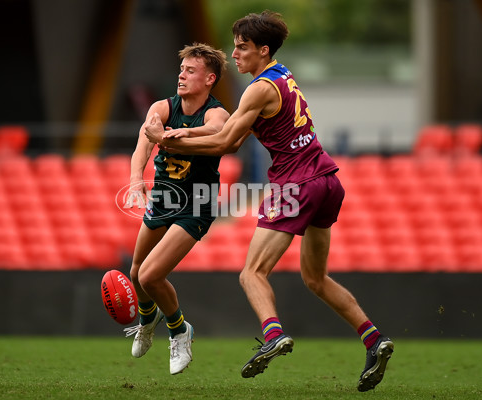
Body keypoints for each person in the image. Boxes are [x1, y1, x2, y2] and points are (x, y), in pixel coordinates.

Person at [144, 11, 394, 391]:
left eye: (242, 48)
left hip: (295, 184)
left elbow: (226, 144)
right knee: (316, 278)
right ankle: (374, 339)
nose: (235, 54)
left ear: (263, 50)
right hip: (327, 180)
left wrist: (166, 139)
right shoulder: (284, 76)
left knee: (251, 273)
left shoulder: (258, 89)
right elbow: (236, 135)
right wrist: (181, 135)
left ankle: (273, 335)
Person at [123, 43, 236, 375]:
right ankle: (148, 320)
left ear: (210, 79)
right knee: (136, 274)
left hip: (195, 203)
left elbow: (219, 131)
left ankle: (179, 329)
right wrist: (134, 180)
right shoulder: (162, 107)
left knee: (151, 274)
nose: (181, 75)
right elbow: (143, 144)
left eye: (190, 70)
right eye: (181, 69)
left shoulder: (216, 112)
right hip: (163, 199)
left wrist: (178, 133)